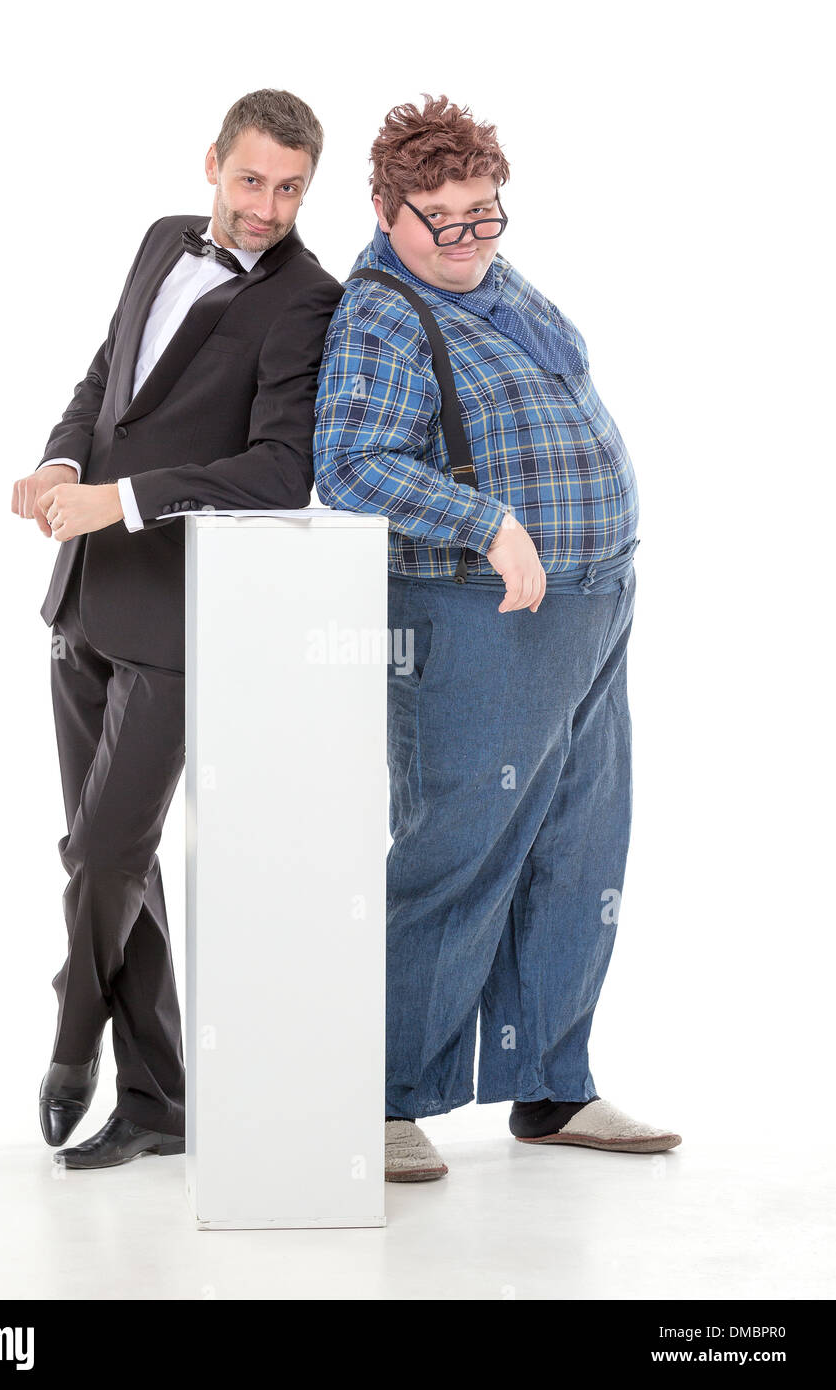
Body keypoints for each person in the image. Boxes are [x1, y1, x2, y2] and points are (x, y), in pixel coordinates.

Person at [313, 95, 681, 1182]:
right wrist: (490, 521)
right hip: (479, 616)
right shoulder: (382, 312)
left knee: (578, 846)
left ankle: (551, 1085)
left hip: (592, 599)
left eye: (486, 215)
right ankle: (381, 1096)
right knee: (457, 851)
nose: (467, 240)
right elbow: (349, 463)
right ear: (384, 212)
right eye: (441, 219)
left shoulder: (480, 271)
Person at [11, 89, 342, 1171]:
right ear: (212, 163)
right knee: (114, 860)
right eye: (250, 181)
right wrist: (64, 463)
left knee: (104, 850)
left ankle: (74, 1032)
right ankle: (159, 1100)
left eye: (290, 188)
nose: (266, 207)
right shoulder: (160, 239)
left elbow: (277, 467)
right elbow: (109, 379)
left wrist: (128, 497)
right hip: (83, 588)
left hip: (177, 612)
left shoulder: (308, 299)